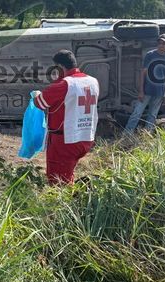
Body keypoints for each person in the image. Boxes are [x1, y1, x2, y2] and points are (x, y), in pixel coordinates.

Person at [32, 49, 99, 185]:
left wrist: (36, 94)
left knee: (58, 181)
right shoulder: (93, 81)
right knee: (68, 172)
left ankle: (65, 204)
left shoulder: (65, 85)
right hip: (86, 137)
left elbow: (39, 103)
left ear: (60, 67)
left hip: (65, 140)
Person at [124, 34, 165, 134]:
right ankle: (127, 134)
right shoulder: (150, 55)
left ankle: (147, 134)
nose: (161, 45)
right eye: (159, 43)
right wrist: (141, 91)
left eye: (164, 43)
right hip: (147, 90)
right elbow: (143, 73)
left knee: (152, 115)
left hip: (160, 92)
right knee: (137, 113)